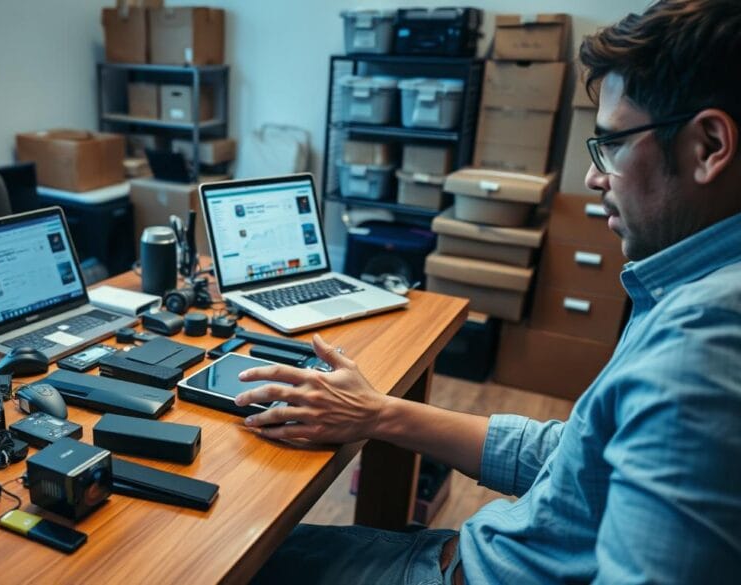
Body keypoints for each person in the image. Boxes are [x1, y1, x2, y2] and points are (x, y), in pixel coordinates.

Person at [239, 1, 741, 583]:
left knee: (211, 560)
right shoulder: (694, 290)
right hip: (467, 554)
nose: (592, 176)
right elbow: (575, 462)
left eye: (610, 144)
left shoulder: (703, 345)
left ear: (708, 147)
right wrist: (378, 413)